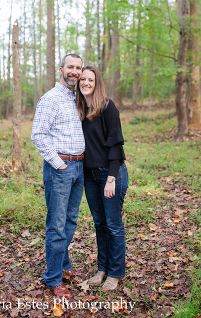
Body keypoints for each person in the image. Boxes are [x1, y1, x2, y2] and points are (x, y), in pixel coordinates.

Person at [31, 53, 85, 298]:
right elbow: (38, 135)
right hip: (60, 168)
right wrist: (58, 164)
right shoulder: (50, 99)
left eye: (78, 68)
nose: (74, 71)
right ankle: (53, 278)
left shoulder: (78, 98)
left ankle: (63, 264)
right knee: (57, 225)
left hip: (79, 168)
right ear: (61, 69)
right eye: (70, 67)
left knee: (71, 220)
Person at [75, 66, 129, 292]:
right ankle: (102, 269)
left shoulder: (107, 107)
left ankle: (115, 273)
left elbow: (116, 145)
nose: (86, 83)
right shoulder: (78, 109)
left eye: (90, 79)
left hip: (110, 174)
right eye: (83, 79)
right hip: (89, 175)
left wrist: (111, 178)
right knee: (100, 224)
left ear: (97, 83)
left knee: (113, 225)